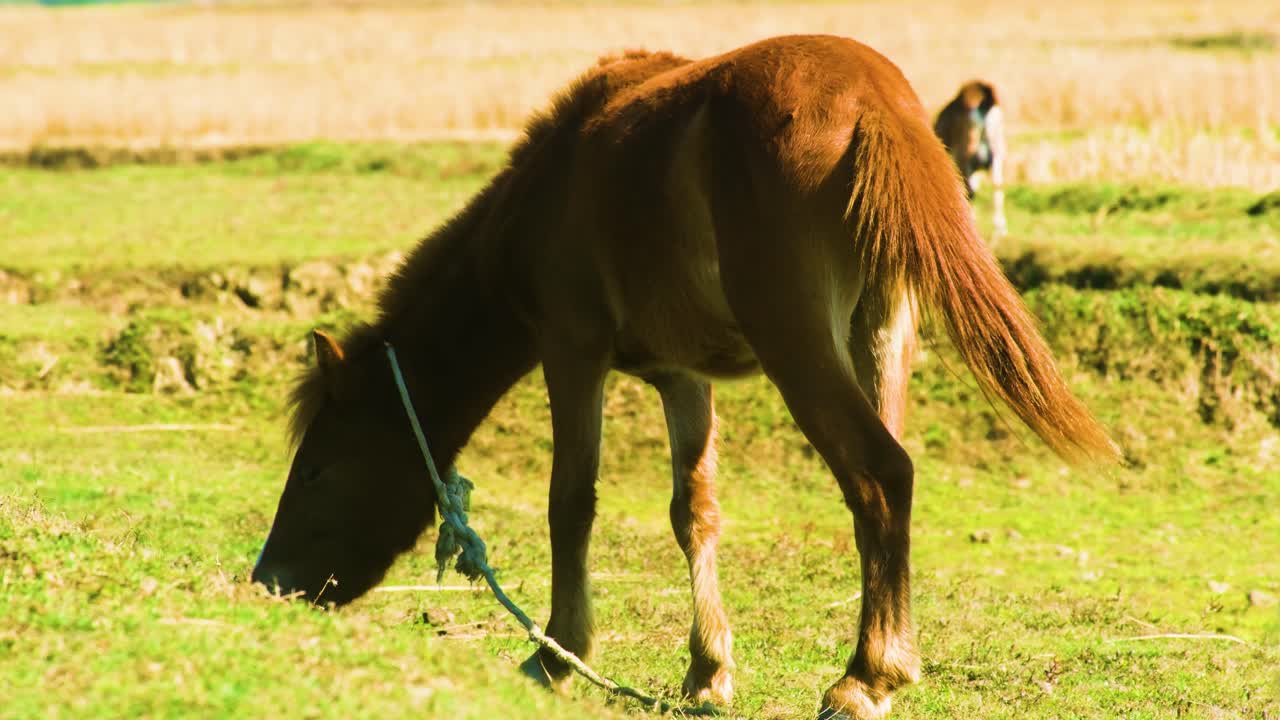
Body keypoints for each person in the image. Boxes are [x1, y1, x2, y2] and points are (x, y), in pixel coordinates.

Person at [934, 80, 1007, 238]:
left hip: (985, 154)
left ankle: (997, 223)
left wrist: (998, 159)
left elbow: (995, 138)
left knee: (993, 186)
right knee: (970, 188)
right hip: (970, 158)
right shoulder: (957, 113)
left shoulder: (990, 113)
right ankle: (972, 224)